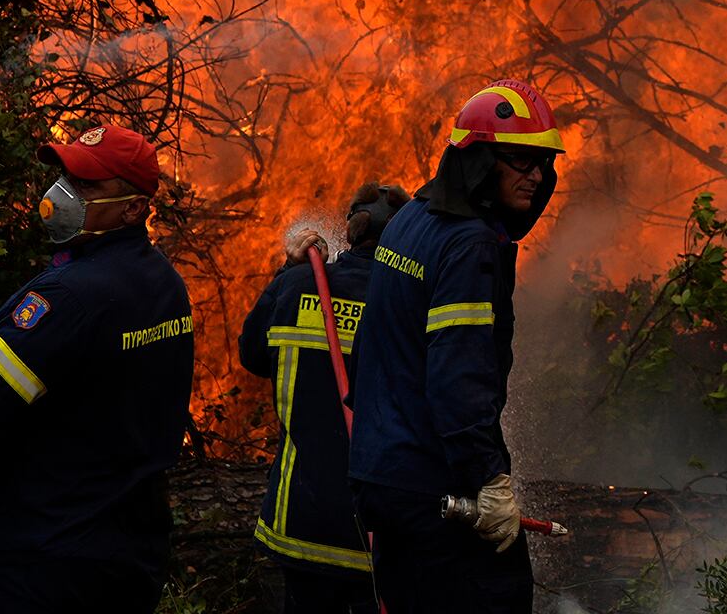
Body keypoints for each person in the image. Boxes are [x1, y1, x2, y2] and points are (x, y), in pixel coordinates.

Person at [0, 124, 194, 614]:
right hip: (132, 553)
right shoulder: (165, 283)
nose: (62, 195)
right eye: (68, 177)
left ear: (134, 207)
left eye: (88, 186)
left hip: (47, 561)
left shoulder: (66, 299)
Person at [348, 79, 563, 614]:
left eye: (543, 163)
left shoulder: (413, 220)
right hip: (436, 486)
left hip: (386, 476)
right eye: (520, 161)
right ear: (479, 160)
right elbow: (458, 377)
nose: (535, 177)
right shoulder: (468, 244)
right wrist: (487, 478)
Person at [239, 182, 411, 611]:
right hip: (380, 533)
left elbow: (253, 356)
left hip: (300, 524)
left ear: (351, 231)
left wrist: (286, 270)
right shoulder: (411, 301)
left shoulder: (297, 286)